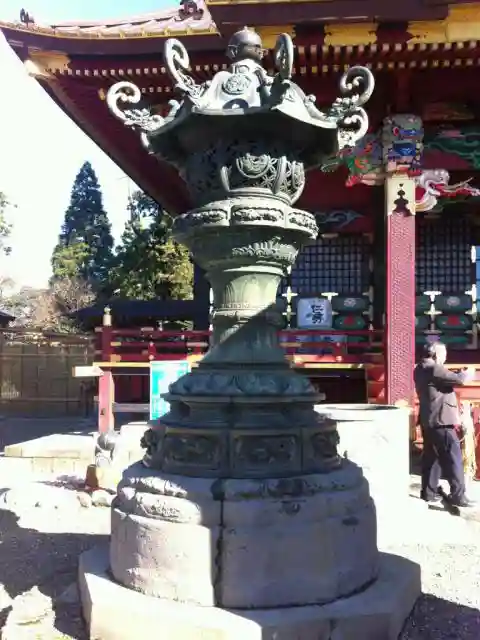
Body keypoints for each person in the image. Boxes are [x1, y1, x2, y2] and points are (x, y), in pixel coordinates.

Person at [414, 341, 476, 508]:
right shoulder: (434, 368)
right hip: (442, 420)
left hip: (428, 420)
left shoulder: (419, 368)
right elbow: (461, 380)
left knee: (431, 458)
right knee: (454, 458)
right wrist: (469, 371)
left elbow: (443, 379)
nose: (445, 358)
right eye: (443, 354)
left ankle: (428, 492)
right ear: (436, 355)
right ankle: (458, 495)